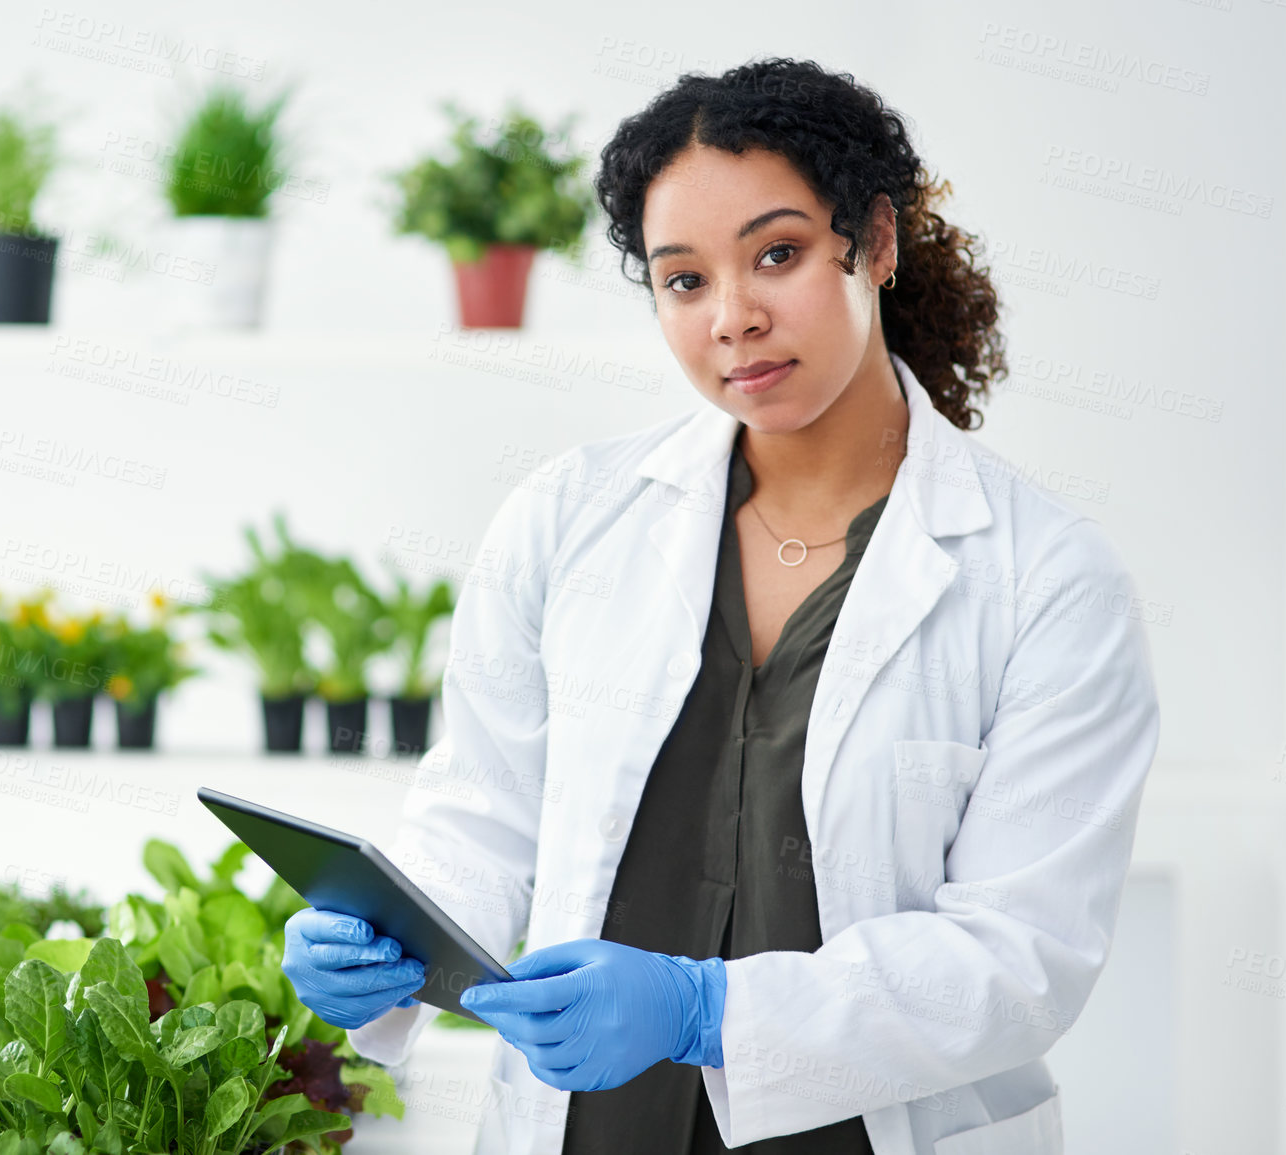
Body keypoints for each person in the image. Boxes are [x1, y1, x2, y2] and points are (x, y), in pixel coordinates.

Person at [281, 57, 1159, 1155]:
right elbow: (484, 820)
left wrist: (709, 1015)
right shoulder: (568, 519)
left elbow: (1022, 958)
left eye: (778, 255)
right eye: (684, 280)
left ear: (875, 244)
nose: (734, 318)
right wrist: (388, 948)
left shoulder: (1045, 580)